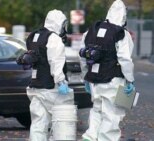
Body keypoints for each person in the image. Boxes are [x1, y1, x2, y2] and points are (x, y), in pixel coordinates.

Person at [79, 0, 135, 141]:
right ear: (123, 15)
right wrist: (130, 80)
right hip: (113, 80)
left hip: (94, 80)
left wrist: (85, 76)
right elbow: (125, 59)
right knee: (112, 114)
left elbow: (82, 56)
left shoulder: (90, 31)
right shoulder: (121, 33)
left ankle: (90, 136)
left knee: (97, 109)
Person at [17, 9, 77, 141]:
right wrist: (61, 81)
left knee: (38, 124)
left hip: (35, 87)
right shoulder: (54, 38)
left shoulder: (34, 36)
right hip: (51, 88)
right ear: (59, 23)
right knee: (62, 123)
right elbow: (55, 62)